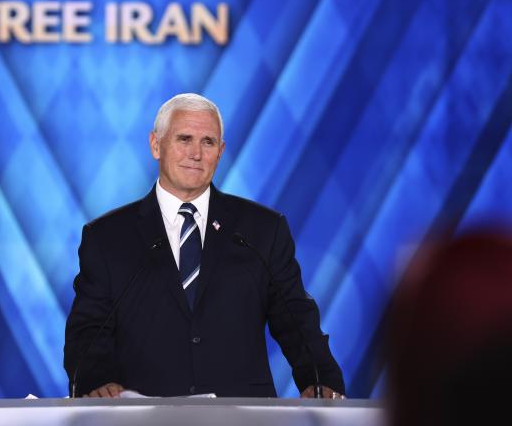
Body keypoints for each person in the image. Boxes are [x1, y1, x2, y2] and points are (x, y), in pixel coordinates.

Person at [63, 93, 344, 398]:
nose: (196, 153)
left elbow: (296, 319)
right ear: (156, 145)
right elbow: (89, 330)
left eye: (208, 142)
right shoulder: (108, 237)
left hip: (243, 417)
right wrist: (96, 380)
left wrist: (321, 378)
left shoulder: (261, 230)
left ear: (220, 152)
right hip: (143, 416)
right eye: (184, 139)